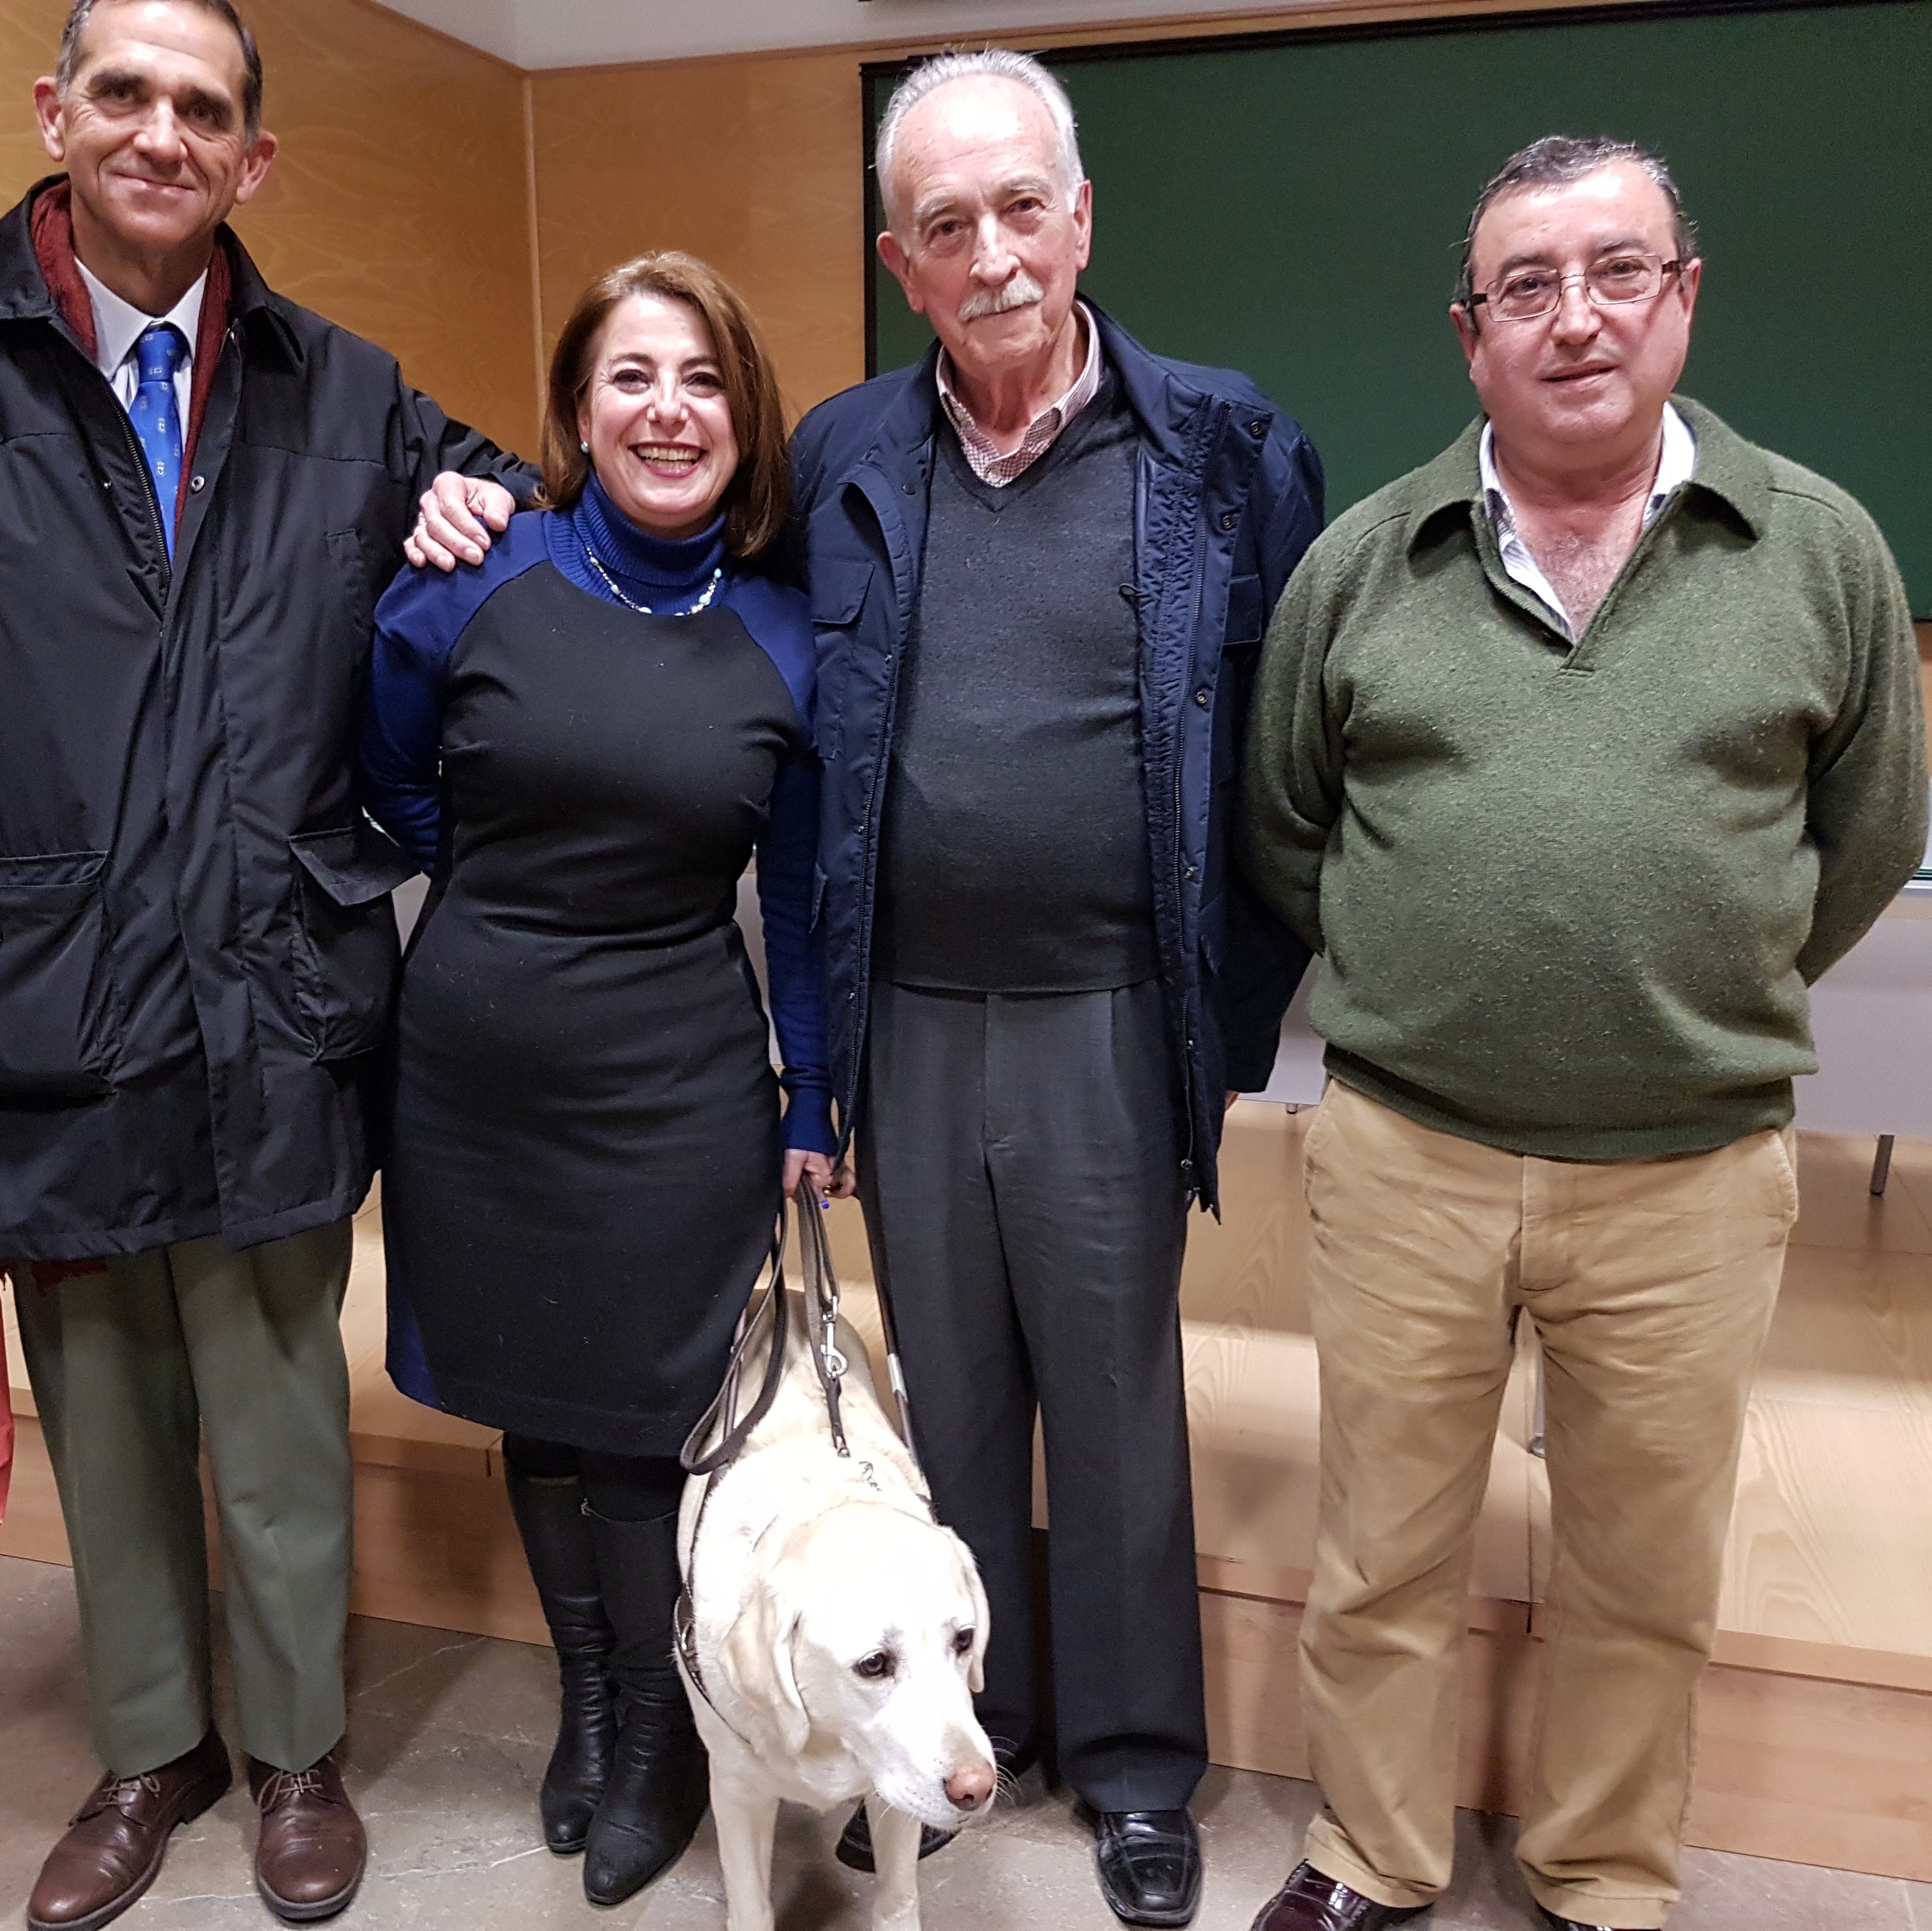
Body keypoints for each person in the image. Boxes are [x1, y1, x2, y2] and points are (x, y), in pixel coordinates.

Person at [408, 54, 1322, 1927]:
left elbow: (1287, 749)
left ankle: (1138, 1766)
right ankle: (960, 1729)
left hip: (1103, 1007)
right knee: (944, 1405)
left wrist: (1225, 1028)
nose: (991, 255)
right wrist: (471, 503)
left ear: (1082, 219)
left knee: (1116, 1394)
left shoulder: (1227, 445)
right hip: (902, 1005)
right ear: (900, 262)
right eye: (943, 225)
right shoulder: (839, 454)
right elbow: (650, 562)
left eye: (1021, 209)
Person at [0, 4, 534, 1925]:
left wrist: (478, 500)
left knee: (278, 1414)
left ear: (252, 158)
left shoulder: (343, 387)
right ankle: (147, 1751)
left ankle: (295, 1754)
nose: (161, 133)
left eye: (205, 107)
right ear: (55, 113)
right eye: (124, 93)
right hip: (38, 991)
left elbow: (519, 489)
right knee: (104, 1416)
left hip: (274, 984)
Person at [1238, 137, 1928, 1931]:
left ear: (1684, 295)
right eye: (1526, 287)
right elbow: (1285, 829)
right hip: (1409, 1155)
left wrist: (1690, 991)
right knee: (1383, 1552)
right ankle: (1371, 1853)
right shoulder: (1365, 563)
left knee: (1642, 1571)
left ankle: (1605, 1874)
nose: (1576, 319)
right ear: (1469, 334)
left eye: (1618, 271)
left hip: (1690, 1171)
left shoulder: (1819, 552)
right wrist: (1438, 979)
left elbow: (1869, 837)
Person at [358, 251, 839, 1910]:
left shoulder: (787, 632)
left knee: (641, 1422)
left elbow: (807, 895)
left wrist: (811, 1093)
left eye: (703, 379)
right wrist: (508, 902)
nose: (668, 410)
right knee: (535, 1407)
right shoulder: (467, 580)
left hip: (676, 1085)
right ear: (577, 410)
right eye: (632, 376)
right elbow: (394, 782)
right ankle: (591, 1700)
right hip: (476, 1078)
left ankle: (659, 1738)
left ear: (744, 416)